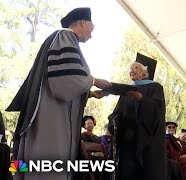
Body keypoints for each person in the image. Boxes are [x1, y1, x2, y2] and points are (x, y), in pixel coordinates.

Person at [6, 7, 111, 180]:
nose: (91, 35)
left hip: (50, 113)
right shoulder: (65, 36)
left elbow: (62, 79)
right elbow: (64, 83)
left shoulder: (59, 39)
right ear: (83, 22)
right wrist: (94, 80)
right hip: (52, 118)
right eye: (91, 30)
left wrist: (90, 94)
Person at [108, 53, 166, 180]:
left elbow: (158, 111)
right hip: (128, 141)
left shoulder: (155, 87)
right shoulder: (126, 90)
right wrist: (114, 120)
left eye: (136, 68)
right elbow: (117, 112)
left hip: (148, 140)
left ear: (144, 72)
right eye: (130, 68)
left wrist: (142, 99)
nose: (131, 70)